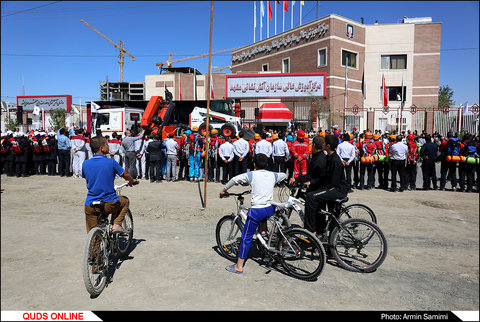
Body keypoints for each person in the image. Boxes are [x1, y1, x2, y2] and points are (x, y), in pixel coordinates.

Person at [220, 153, 287, 274]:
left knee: (246, 237)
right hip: (270, 208)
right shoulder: (273, 175)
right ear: (267, 164)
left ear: (254, 165)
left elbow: (234, 179)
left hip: (257, 211)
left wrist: (224, 189)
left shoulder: (251, 175)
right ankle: (263, 234)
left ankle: (238, 266)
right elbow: (284, 175)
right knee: (263, 217)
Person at [82, 135, 137, 234]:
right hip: (108, 203)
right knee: (125, 201)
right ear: (101, 148)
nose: (108, 146)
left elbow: (88, 179)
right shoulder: (111, 162)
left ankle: (94, 247)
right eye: (106, 144)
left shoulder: (85, 163)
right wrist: (131, 181)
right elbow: (125, 174)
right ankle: (116, 224)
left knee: (94, 235)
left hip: (90, 205)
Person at [300, 135, 348, 237]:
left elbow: (333, 182)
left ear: (328, 146)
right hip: (332, 187)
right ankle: (321, 231)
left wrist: (321, 189)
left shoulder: (335, 160)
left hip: (337, 190)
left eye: (324, 143)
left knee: (311, 196)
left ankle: (310, 231)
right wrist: (312, 183)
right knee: (314, 195)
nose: (323, 144)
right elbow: (323, 176)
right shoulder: (328, 158)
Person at [289, 135, 328, 233]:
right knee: (318, 212)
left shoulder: (318, 159)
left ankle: (310, 232)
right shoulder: (320, 156)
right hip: (304, 165)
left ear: (314, 145)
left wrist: (299, 180)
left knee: (311, 209)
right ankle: (317, 231)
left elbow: (313, 176)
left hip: (317, 188)